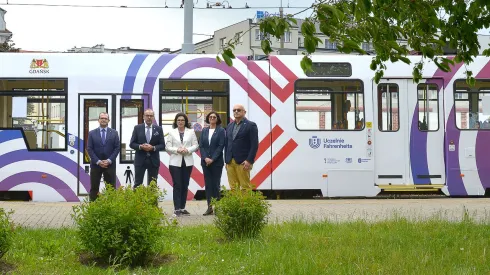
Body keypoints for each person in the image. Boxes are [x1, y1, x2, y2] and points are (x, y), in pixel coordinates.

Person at [166, 113, 199, 217]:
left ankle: (183, 208)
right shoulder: (171, 132)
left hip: (187, 162)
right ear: (176, 121)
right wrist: (177, 150)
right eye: (178, 120)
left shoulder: (191, 132)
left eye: (182, 120)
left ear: (185, 122)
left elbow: (196, 145)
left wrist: (187, 150)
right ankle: (176, 209)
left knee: (185, 185)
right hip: (175, 162)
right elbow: (167, 147)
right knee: (177, 185)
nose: (180, 122)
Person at [86, 112, 120, 201]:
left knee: (111, 189)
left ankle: (111, 210)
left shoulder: (114, 133)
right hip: (96, 165)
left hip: (110, 165)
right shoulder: (92, 133)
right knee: (94, 188)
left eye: (105, 118)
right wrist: (98, 161)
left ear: (108, 120)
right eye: (102, 118)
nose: (103, 119)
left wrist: (109, 160)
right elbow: (89, 148)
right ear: (98, 120)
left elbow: (117, 148)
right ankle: (93, 210)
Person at [224, 104, 259, 190]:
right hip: (230, 162)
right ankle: (235, 204)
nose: (236, 111)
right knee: (233, 188)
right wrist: (226, 160)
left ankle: (245, 204)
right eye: (234, 110)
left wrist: (249, 160)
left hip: (243, 161)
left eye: (239, 110)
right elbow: (227, 143)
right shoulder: (229, 126)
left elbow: (254, 145)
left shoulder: (251, 125)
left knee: (245, 187)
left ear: (244, 112)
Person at [129, 108, 165, 188]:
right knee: (138, 184)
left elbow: (162, 145)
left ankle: (152, 201)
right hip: (140, 160)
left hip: (153, 161)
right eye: (147, 115)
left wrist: (153, 148)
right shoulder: (137, 128)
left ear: (153, 117)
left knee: (152, 185)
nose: (149, 117)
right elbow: (131, 144)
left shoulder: (158, 129)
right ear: (143, 117)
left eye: (151, 116)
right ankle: (137, 201)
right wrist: (140, 146)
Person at [199, 111, 226, 215]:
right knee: (208, 185)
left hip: (216, 163)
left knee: (216, 185)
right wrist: (205, 158)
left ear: (217, 119)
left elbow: (221, 146)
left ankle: (218, 207)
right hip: (205, 163)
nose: (212, 118)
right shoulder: (204, 130)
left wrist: (212, 159)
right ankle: (209, 207)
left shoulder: (221, 130)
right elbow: (201, 145)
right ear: (208, 119)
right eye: (210, 117)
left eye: (214, 117)